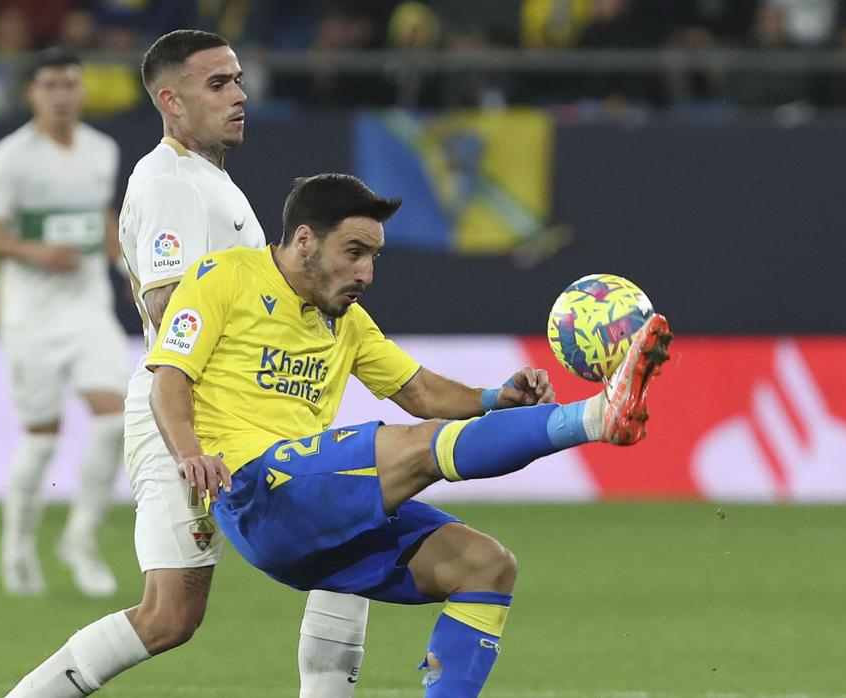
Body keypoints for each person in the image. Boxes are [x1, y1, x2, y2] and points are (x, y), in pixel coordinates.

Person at [147, 173, 671, 696]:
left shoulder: (347, 322)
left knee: (485, 567)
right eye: (354, 252)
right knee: (417, 446)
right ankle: (597, 417)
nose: (366, 273)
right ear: (304, 239)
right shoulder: (225, 276)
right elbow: (168, 377)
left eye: (374, 257)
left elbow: (418, 390)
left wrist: (495, 398)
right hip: (257, 485)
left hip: (310, 515)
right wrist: (189, 451)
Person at [4, 30, 373, 698]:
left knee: (344, 536)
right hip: (192, 419)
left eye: (237, 80)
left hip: (237, 415)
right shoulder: (173, 182)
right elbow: (167, 301)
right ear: (172, 102)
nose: (239, 96)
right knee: (171, 614)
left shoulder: (209, 183)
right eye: (219, 84)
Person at [0, 47, 127, 599]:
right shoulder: (12, 158)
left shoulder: (101, 151)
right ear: (33, 92)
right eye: (51, 85)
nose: (61, 95)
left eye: (70, 84)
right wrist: (35, 252)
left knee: (115, 422)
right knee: (40, 439)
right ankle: (16, 546)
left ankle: (79, 537)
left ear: (82, 90)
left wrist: (126, 265)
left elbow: (99, 215)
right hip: (31, 315)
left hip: (86, 308)